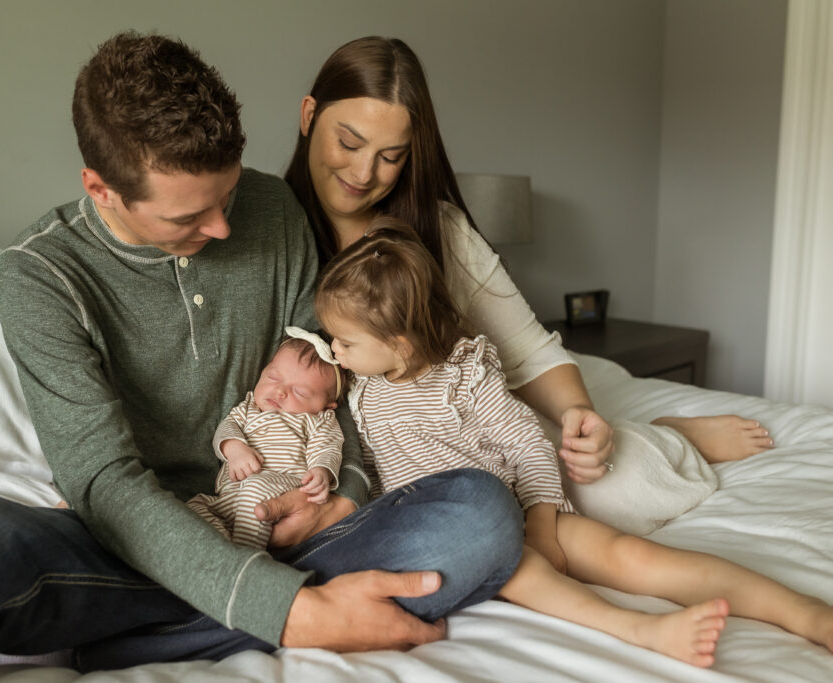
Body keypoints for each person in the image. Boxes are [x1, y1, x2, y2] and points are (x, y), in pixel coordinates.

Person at [0, 32, 525, 682]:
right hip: (126, 545)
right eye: (188, 216)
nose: (221, 226)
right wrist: (293, 613)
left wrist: (345, 492)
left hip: (280, 523)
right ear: (102, 188)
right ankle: (218, 617)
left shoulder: (275, 211)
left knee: (482, 510)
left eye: (228, 196)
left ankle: (151, 639)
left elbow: (344, 382)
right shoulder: (38, 276)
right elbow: (105, 483)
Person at [283, 36, 773, 512]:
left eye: (391, 156)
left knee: (613, 491)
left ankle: (668, 434)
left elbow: (528, 350)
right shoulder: (269, 233)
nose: (364, 173)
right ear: (309, 116)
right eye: (348, 143)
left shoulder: (438, 231)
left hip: (457, 436)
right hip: (345, 461)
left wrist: (579, 415)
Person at [314, 221, 833, 667]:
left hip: (517, 510)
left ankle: (803, 611)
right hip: (450, 536)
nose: (333, 349)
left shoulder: (464, 378)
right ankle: (639, 630)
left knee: (630, 554)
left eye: (345, 341)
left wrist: (542, 520)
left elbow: (528, 446)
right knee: (523, 572)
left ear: (400, 348)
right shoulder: (358, 387)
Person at [187, 329, 346, 549]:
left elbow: (328, 448)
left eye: (299, 392)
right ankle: (225, 548)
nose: (280, 391)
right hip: (230, 499)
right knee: (193, 507)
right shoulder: (249, 407)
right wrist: (235, 449)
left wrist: (322, 472)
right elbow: (227, 428)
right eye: (273, 377)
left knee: (255, 486)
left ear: (327, 405)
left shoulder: (318, 420)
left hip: (282, 491)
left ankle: (245, 556)